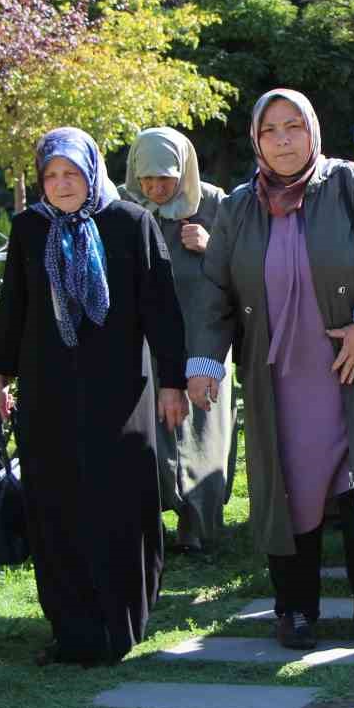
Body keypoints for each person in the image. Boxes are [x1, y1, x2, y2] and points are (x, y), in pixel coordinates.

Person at [186, 89, 354, 650]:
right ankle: (294, 607)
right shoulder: (239, 207)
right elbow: (215, 293)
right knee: (286, 489)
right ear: (256, 140)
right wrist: (205, 361)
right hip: (280, 380)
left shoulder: (352, 185)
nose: (283, 140)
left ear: (313, 131)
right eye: (270, 130)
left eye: (293, 126)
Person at [0, 127, 189, 666]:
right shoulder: (29, 228)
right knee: (57, 507)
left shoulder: (129, 223)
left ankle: (123, 621)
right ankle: (71, 628)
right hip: (48, 391)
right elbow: (13, 307)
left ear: (92, 172)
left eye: (71, 173)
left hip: (121, 390)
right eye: (51, 175)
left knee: (119, 500)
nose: (61, 184)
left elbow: (161, 309)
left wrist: (174, 383)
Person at [120, 127, 236, 556]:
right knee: (149, 434)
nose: (155, 187)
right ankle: (146, 525)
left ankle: (198, 530)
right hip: (145, 342)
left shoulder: (216, 204)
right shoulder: (123, 206)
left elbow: (246, 270)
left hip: (202, 339)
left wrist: (211, 247)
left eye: (165, 178)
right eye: (147, 179)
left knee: (202, 434)